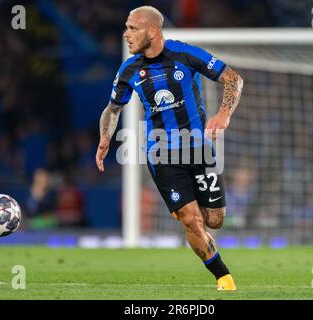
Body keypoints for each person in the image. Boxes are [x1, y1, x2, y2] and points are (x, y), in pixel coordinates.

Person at [95, 6, 243, 291]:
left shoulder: (185, 54)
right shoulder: (129, 69)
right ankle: (224, 278)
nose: (126, 34)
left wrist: (224, 114)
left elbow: (233, 79)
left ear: (152, 31)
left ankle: (200, 225)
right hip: (161, 153)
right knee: (191, 219)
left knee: (215, 219)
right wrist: (105, 137)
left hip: (199, 149)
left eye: (132, 28)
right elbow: (112, 109)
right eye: (126, 27)